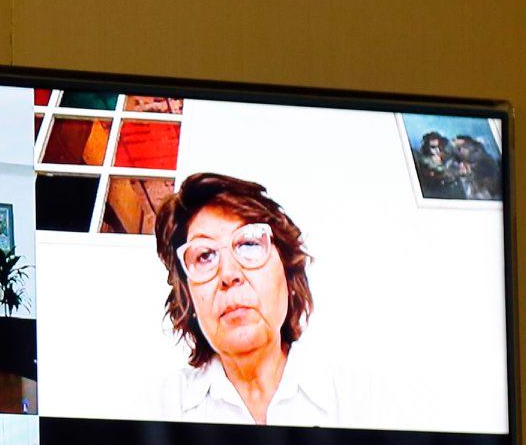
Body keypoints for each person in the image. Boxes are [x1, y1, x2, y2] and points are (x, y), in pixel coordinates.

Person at [153, 172, 377, 427]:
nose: (228, 274)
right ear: (189, 297)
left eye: (249, 244)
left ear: (288, 274)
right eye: (204, 256)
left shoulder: (362, 400)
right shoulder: (158, 409)